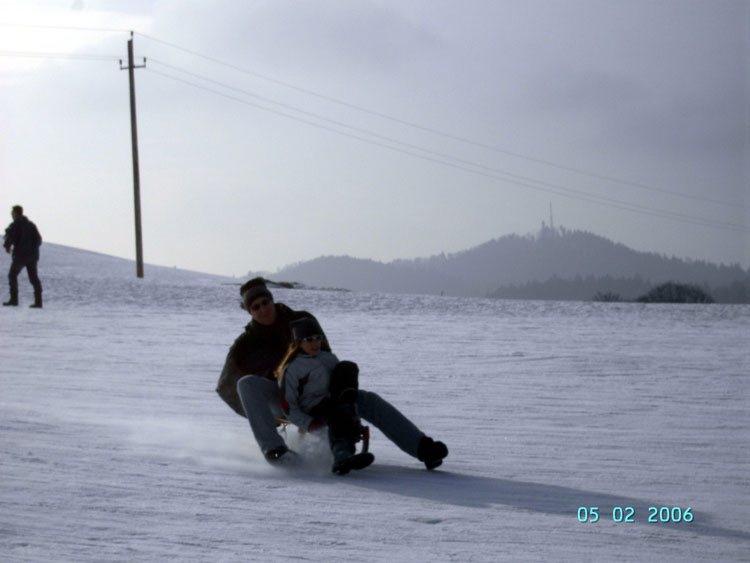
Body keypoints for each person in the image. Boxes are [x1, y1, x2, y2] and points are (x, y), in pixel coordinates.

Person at [216, 277, 448, 469]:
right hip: (284, 399)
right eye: (255, 307)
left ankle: (424, 448)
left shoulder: (301, 321)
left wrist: (343, 402)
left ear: (273, 300)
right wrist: (263, 414)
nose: (263, 309)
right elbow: (226, 384)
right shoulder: (245, 344)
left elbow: (324, 357)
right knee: (246, 383)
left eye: (265, 302)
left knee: (368, 400)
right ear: (249, 312)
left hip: (318, 391)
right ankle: (274, 450)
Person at [276, 317, 374, 475]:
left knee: (347, 369)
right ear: (299, 343)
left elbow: (340, 386)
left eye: (318, 338)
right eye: (309, 339)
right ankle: (341, 457)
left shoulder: (328, 358)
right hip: (312, 409)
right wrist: (309, 424)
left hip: (333, 403)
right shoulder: (293, 369)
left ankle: (346, 453)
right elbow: (289, 407)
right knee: (337, 412)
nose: (315, 343)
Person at [3, 205, 43, 308]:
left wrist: (7, 246)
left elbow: (9, 236)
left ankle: (14, 300)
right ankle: (38, 302)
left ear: (15, 213)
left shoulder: (15, 224)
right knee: (34, 278)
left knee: (12, 275)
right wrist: (32, 249)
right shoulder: (31, 225)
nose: (11, 214)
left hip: (20, 256)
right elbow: (39, 240)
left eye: (12, 212)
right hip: (32, 256)